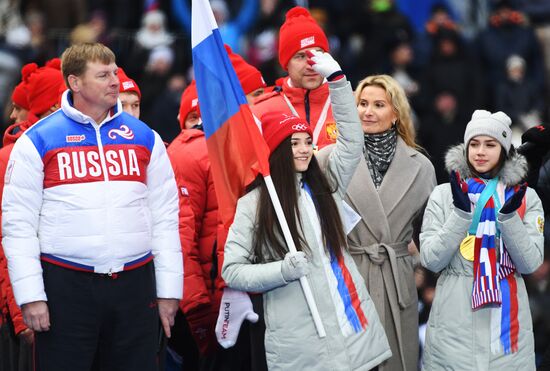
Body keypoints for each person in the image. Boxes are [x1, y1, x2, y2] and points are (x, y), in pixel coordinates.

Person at [1, 42, 183, 371]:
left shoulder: (146, 137)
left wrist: (170, 292)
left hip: (135, 285)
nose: (115, 81)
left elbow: (166, 219)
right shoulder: (37, 139)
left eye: (115, 72)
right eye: (103, 75)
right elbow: (18, 225)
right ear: (75, 82)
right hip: (65, 287)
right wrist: (31, 296)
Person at [222, 50, 391, 370]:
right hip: (302, 345)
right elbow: (232, 270)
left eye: (305, 141)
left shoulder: (326, 184)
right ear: (274, 151)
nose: (303, 149)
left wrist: (339, 82)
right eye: (292, 143)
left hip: (352, 328)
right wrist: (281, 271)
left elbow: (352, 142)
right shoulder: (254, 204)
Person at [318, 74, 436, 371]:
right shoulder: (327, 160)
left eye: (379, 105)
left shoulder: (421, 167)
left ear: (396, 114)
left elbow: (430, 235)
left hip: (397, 282)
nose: (368, 111)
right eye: (362, 103)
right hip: (348, 278)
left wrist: (422, 271)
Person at [166, 46, 268, 370]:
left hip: (246, 289)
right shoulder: (190, 153)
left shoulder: (253, 146)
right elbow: (181, 239)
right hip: (216, 297)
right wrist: (198, 310)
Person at [419, 110, 544, 370]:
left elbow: (530, 264)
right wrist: (461, 215)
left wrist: (509, 217)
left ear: (504, 149)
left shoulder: (524, 197)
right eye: (474, 144)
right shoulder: (444, 195)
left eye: (490, 144)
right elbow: (431, 259)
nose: (480, 151)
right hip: (453, 327)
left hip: (508, 329)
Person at [251, 6, 341, 150]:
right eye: (300, 56)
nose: (311, 65)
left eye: (316, 54)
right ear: (286, 64)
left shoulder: (349, 103)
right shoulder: (262, 111)